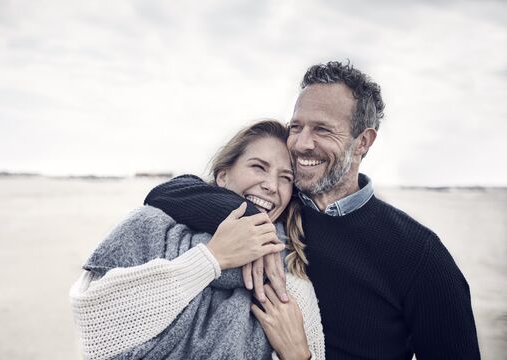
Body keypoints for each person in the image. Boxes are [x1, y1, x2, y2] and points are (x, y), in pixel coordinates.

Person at [145, 61, 481, 359]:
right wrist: (252, 221)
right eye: (296, 127)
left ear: (362, 142)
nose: (302, 143)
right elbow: (167, 193)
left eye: (322, 129)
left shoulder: (419, 255)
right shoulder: (278, 207)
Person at [70, 120, 325, 360]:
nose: (271, 185)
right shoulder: (149, 225)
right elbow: (93, 328)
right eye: (259, 167)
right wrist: (211, 259)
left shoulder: (288, 276)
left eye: (286, 178)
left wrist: (299, 356)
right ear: (223, 175)